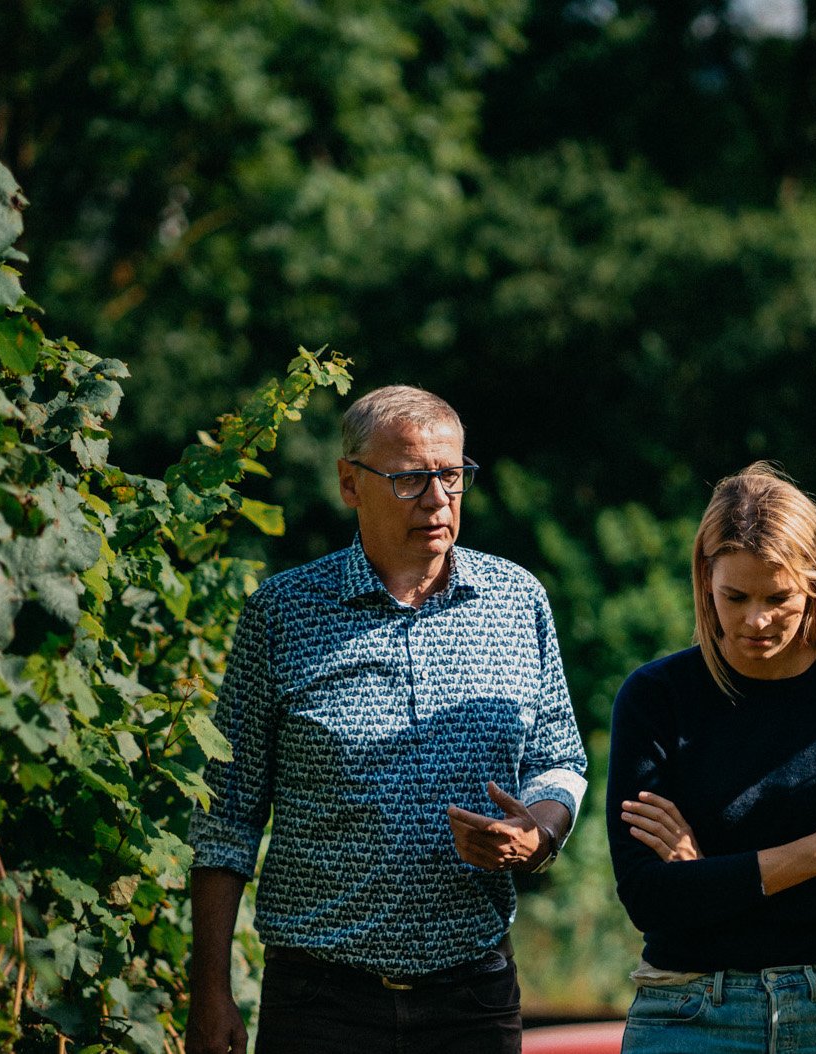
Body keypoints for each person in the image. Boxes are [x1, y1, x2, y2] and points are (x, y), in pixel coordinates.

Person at [185, 385, 589, 1054]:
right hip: (320, 1001)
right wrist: (209, 992)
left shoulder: (517, 601)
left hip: (473, 994)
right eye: (409, 479)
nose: (436, 500)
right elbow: (225, 815)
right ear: (350, 483)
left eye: (452, 476)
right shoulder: (283, 615)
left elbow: (560, 760)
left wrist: (538, 833)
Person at [606, 463, 816, 1053]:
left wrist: (706, 873)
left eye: (778, 598)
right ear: (705, 582)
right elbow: (649, 898)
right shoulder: (656, 697)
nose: (756, 620)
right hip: (690, 1013)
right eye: (736, 596)